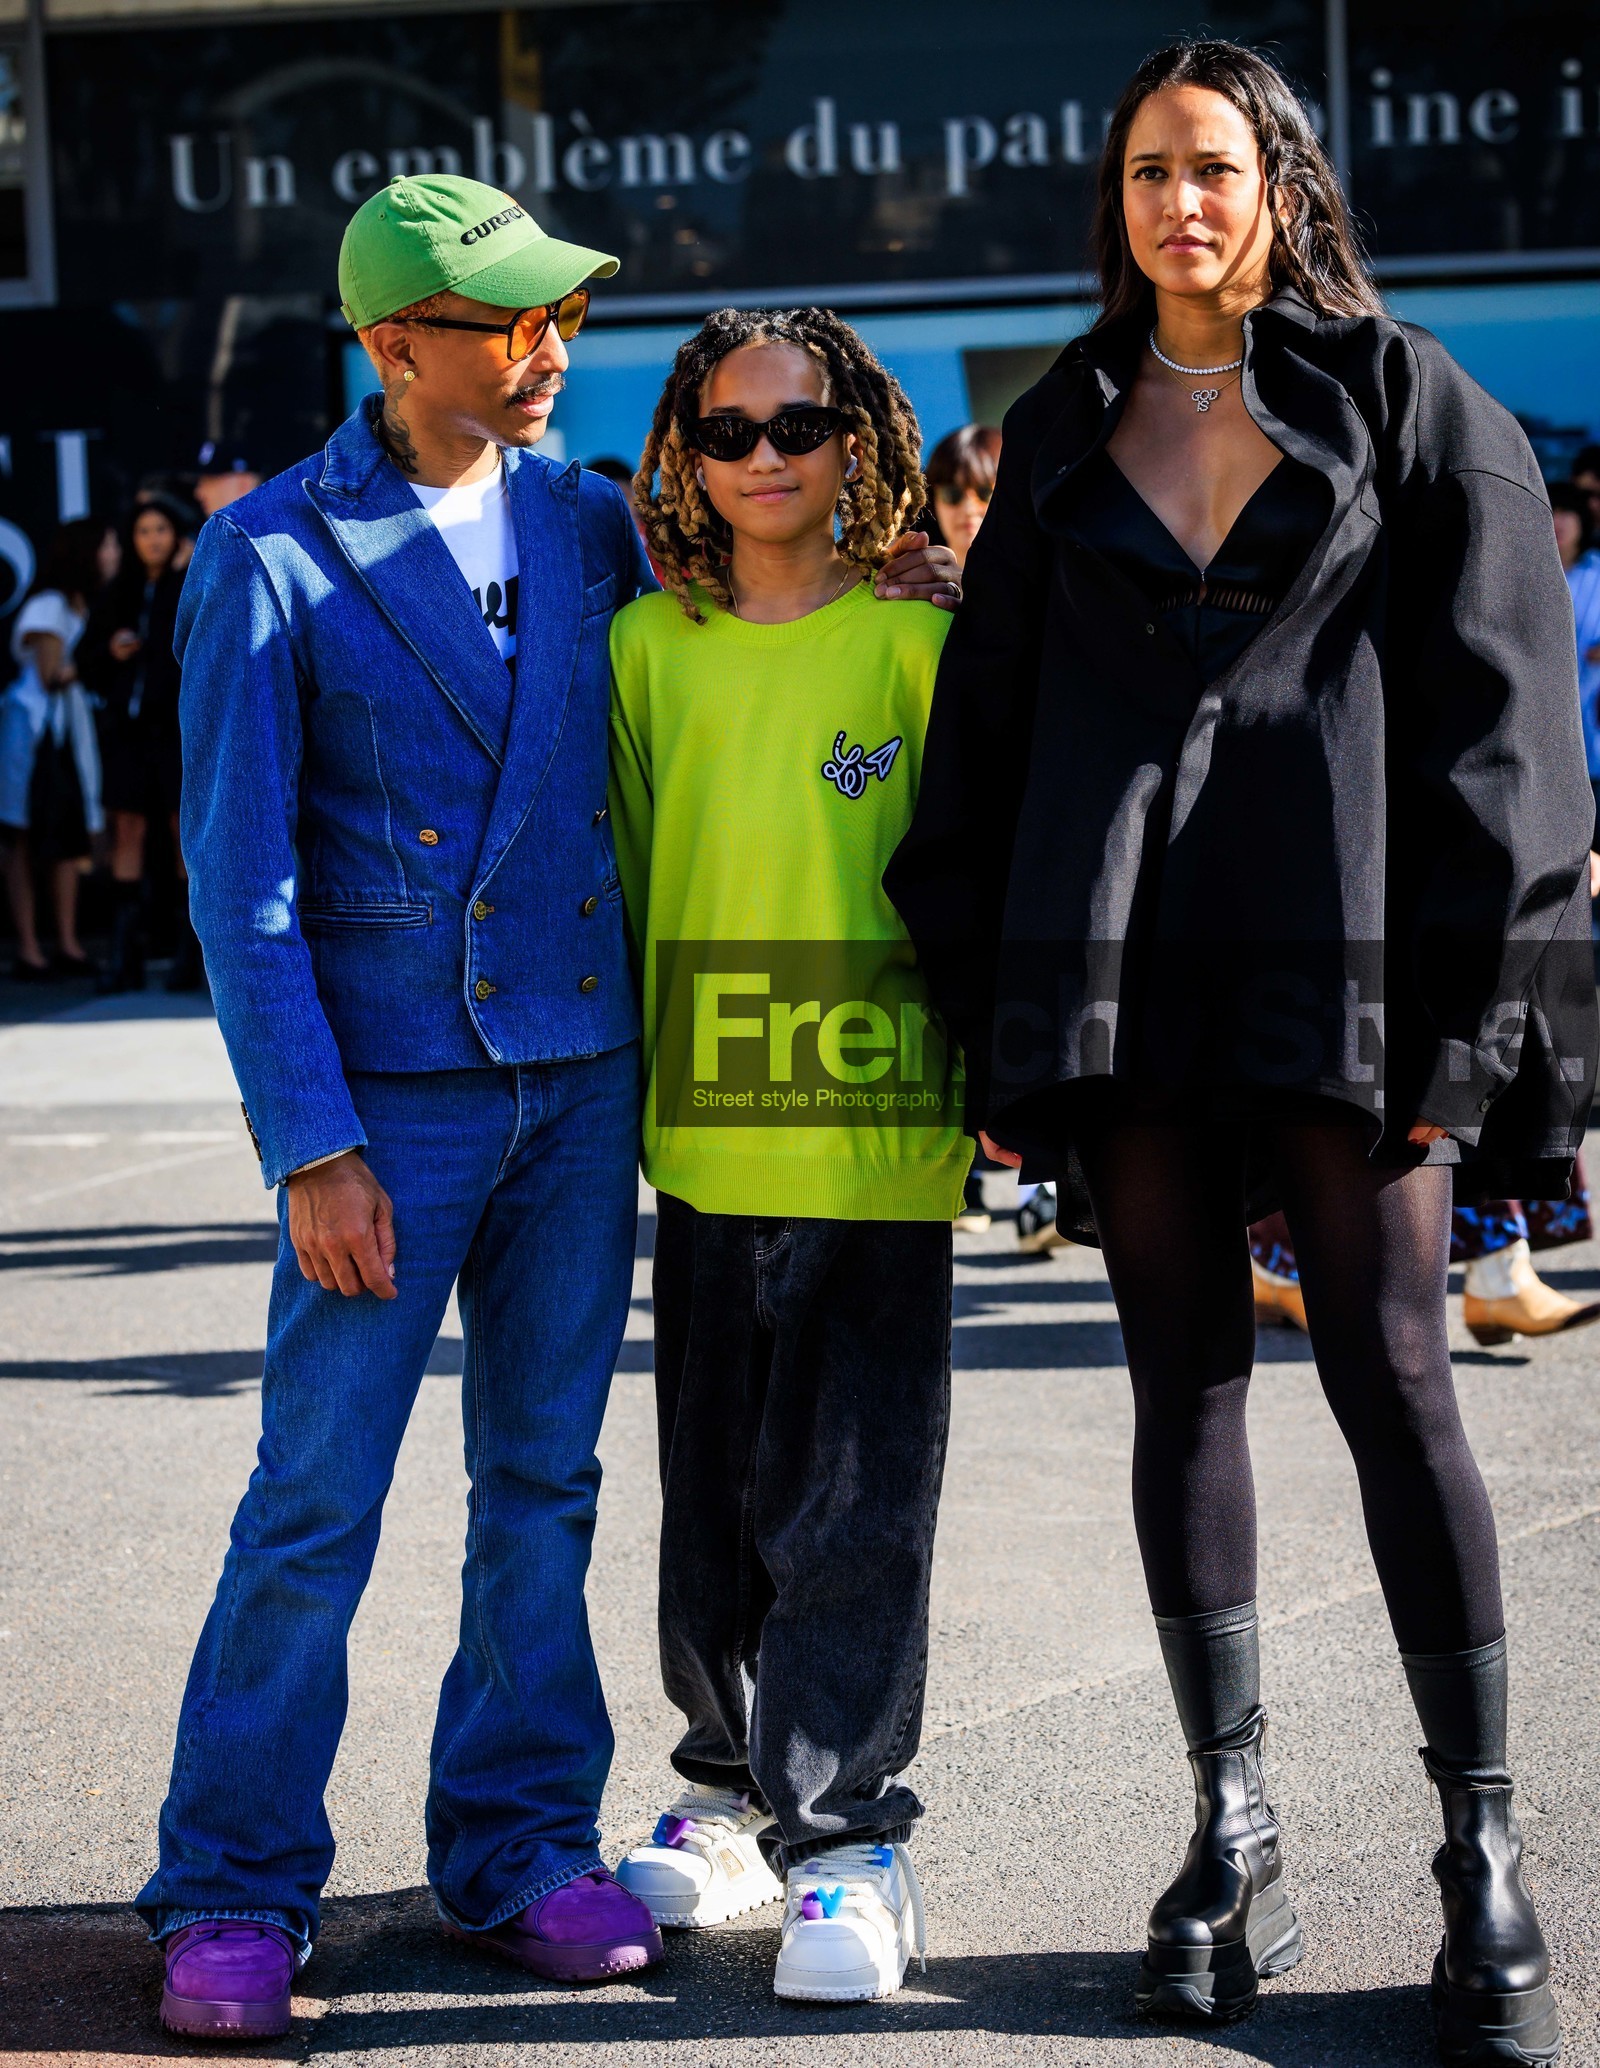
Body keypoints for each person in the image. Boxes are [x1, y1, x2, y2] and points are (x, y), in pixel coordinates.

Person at [135, 174, 962, 2046]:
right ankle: (233, 1875)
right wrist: (309, 1143)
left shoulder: (600, 523)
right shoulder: (266, 558)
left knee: (544, 1488)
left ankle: (513, 1842)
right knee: (312, 1499)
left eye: (559, 317)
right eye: (509, 320)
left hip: (589, 1086)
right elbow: (238, 886)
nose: (550, 349)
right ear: (389, 343)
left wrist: (896, 560)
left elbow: (776, 604)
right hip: (389, 1113)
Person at [886, 38, 1594, 2064]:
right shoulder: (1059, 428)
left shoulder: (1412, 400)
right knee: (1174, 1387)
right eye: (1138, 173)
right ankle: (1233, 1829)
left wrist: (1483, 1014)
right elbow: (988, 731)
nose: (1170, 202)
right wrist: (986, 999)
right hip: (1127, 994)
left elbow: (1505, 730)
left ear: (1276, 181)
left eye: (1206, 166)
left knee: (1391, 1377)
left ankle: (1479, 1851)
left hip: (1350, 973)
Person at [606, 307, 967, 2004]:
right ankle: (723, 1793)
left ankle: (849, 1840)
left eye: (797, 424)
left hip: (879, 1132)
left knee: (856, 1501)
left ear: (857, 440)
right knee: (716, 1495)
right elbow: (620, 879)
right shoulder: (644, 651)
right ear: (681, 448)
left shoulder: (923, 647)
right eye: (729, 429)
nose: (766, 458)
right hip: (706, 1134)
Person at [77, 496, 195, 993]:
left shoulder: (188, 586)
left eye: (161, 530)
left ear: (175, 536)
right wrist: (110, 651)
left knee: (180, 835)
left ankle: (191, 957)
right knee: (126, 832)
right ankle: (124, 954)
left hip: (176, 733)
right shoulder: (117, 591)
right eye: (143, 531)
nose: (152, 539)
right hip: (127, 735)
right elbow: (84, 658)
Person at [0, 519, 113, 979]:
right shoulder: (48, 607)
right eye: (107, 544)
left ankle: (65, 942)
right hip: (32, 737)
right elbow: (51, 676)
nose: (114, 553)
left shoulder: (82, 604)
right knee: (22, 834)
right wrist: (103, 656)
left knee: (64, 839)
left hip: (62, 735)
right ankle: (30, 947)